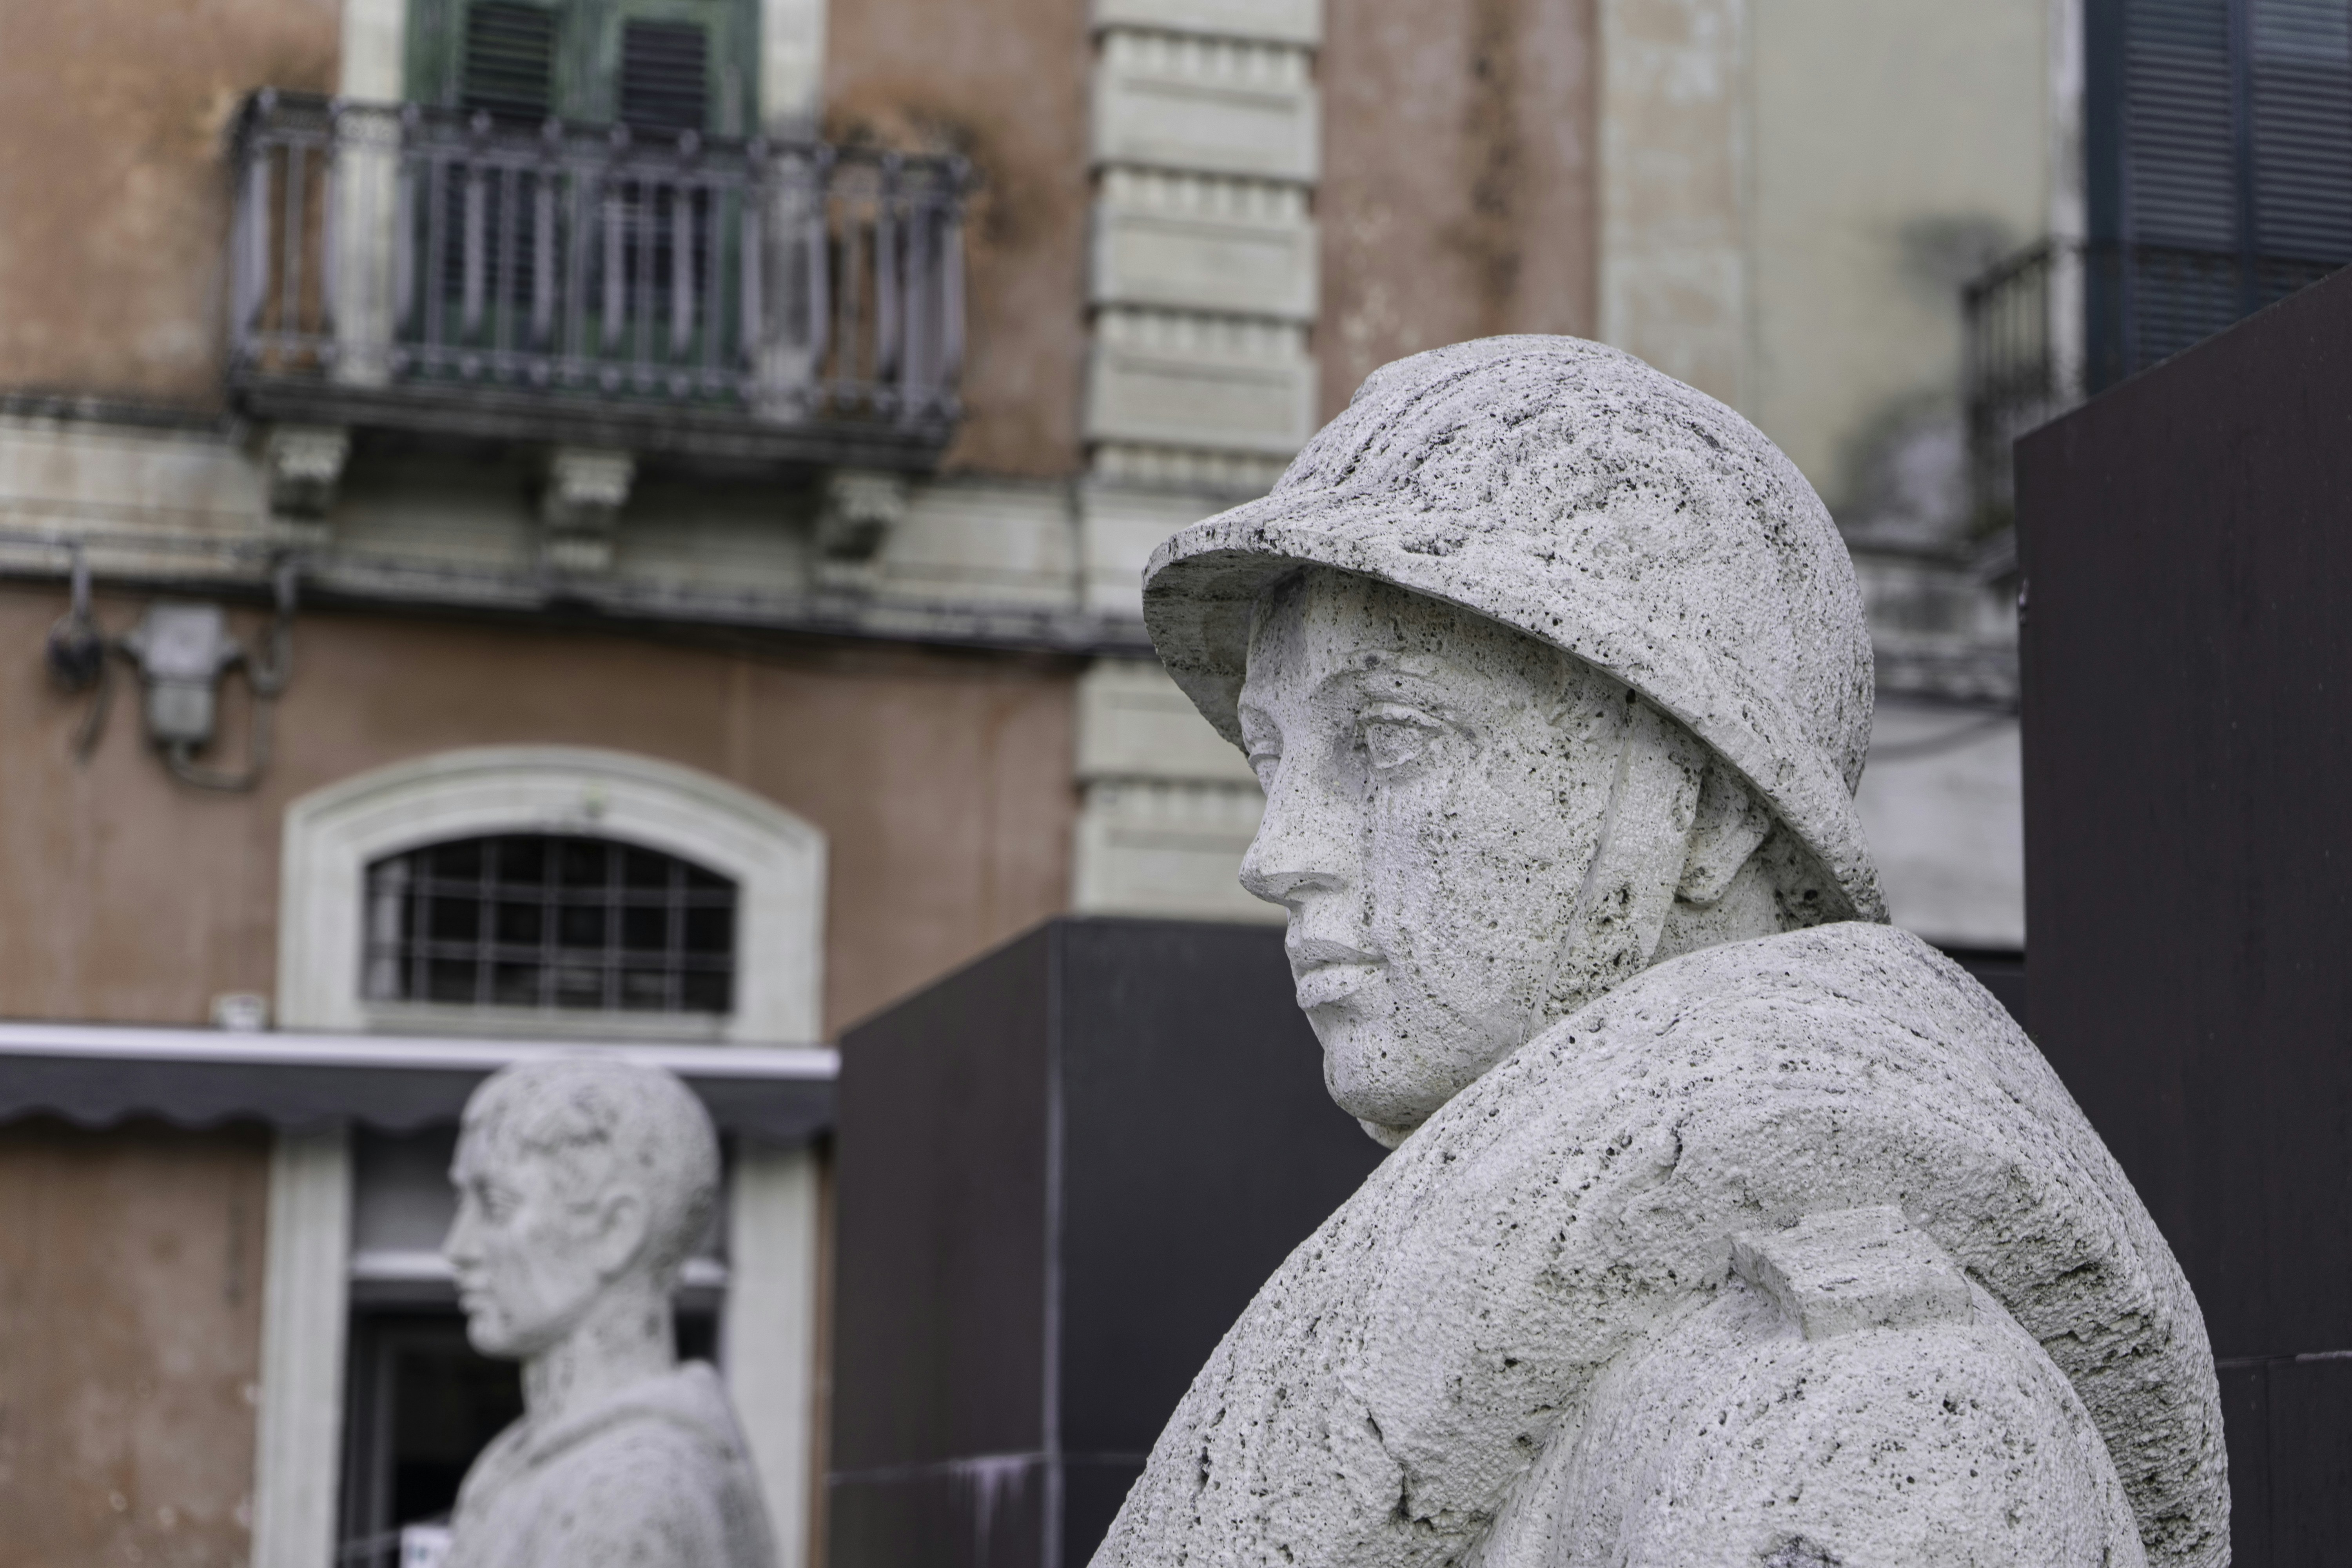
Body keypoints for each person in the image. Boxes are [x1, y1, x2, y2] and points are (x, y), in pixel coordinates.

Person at [1095, 337, 2226, 1567]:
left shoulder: (1850, 1419)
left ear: (1710, 808)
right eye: (1275, 760)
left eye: (1393, 738)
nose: (1279, 849)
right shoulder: (1584, 1341)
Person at [441, 1057, 776, 1568]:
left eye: (496, 1206)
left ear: (616, 1231)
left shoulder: (632, 1492)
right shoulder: (514, 1466)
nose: (458, 1248)